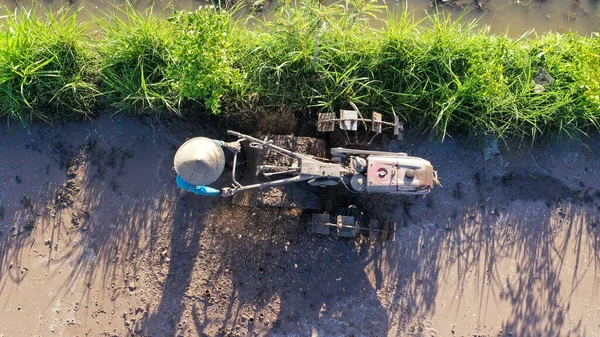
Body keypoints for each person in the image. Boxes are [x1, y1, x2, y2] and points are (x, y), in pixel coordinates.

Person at [175, 139, 241, 196]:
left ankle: (184, 191)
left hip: (183, 180)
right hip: (183, 184)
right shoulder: (186, 182)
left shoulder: (191, 150)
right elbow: (201, 190)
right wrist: (220, 192)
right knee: (187, 188)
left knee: (188, 187)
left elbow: (210, 143)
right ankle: (183, 192)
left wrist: (227, 145)